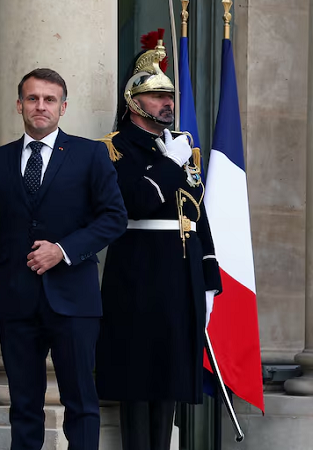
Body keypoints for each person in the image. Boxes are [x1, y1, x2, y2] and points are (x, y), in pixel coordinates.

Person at [0, 68, 128, 450]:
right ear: (19, 105)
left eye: (49, 99)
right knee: (24, 405)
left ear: (63, 107)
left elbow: (114, 218)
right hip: (16, 299)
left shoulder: (90, 154)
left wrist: (62, 250)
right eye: (32, 98)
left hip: (74, 300)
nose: (40, 106)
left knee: (81, 403)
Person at [94, 35, 222, 450]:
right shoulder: (113, 150)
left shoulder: (180, 146)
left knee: (170, 376)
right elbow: (136, 201)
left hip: (181, 273)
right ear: (134, 101)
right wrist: (169, 164)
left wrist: (209, 277)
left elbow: (197, 215)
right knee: (138, 376)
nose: (167, 103)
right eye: (157, 96)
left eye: (169, 96)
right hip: (139, 270)